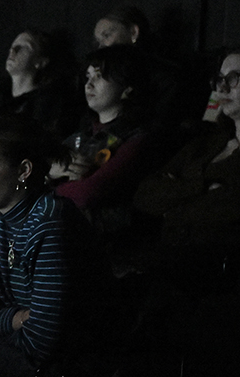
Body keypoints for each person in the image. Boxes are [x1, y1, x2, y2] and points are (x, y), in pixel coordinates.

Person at [0, 116, 95, 375]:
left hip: (62, 372)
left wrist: (7, 329)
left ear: (23, 171)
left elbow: (43, 343)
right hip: (20, 352)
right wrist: (20, 318)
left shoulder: (51, 222)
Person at [132, 49, 240, 279]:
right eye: (220, 79)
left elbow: (229, 212)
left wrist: (172, 206)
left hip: (219, 278)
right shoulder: (206, 143)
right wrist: (199, 187)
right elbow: (144, 195)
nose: (222, 88)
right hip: (169, 269)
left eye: (233, 79)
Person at [52, 45, 161, 234]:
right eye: (87, 77)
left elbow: (89, 192)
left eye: (99, 76)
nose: (89, 84)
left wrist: (46, 193)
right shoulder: (80, 136)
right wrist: (49, 173)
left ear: (127, 86)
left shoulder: (137, 138)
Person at [0, 27, 82, 139]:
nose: (12, 51)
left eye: (23, 47)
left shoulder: (47, 106)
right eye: (12, 46)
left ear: (40, 62)